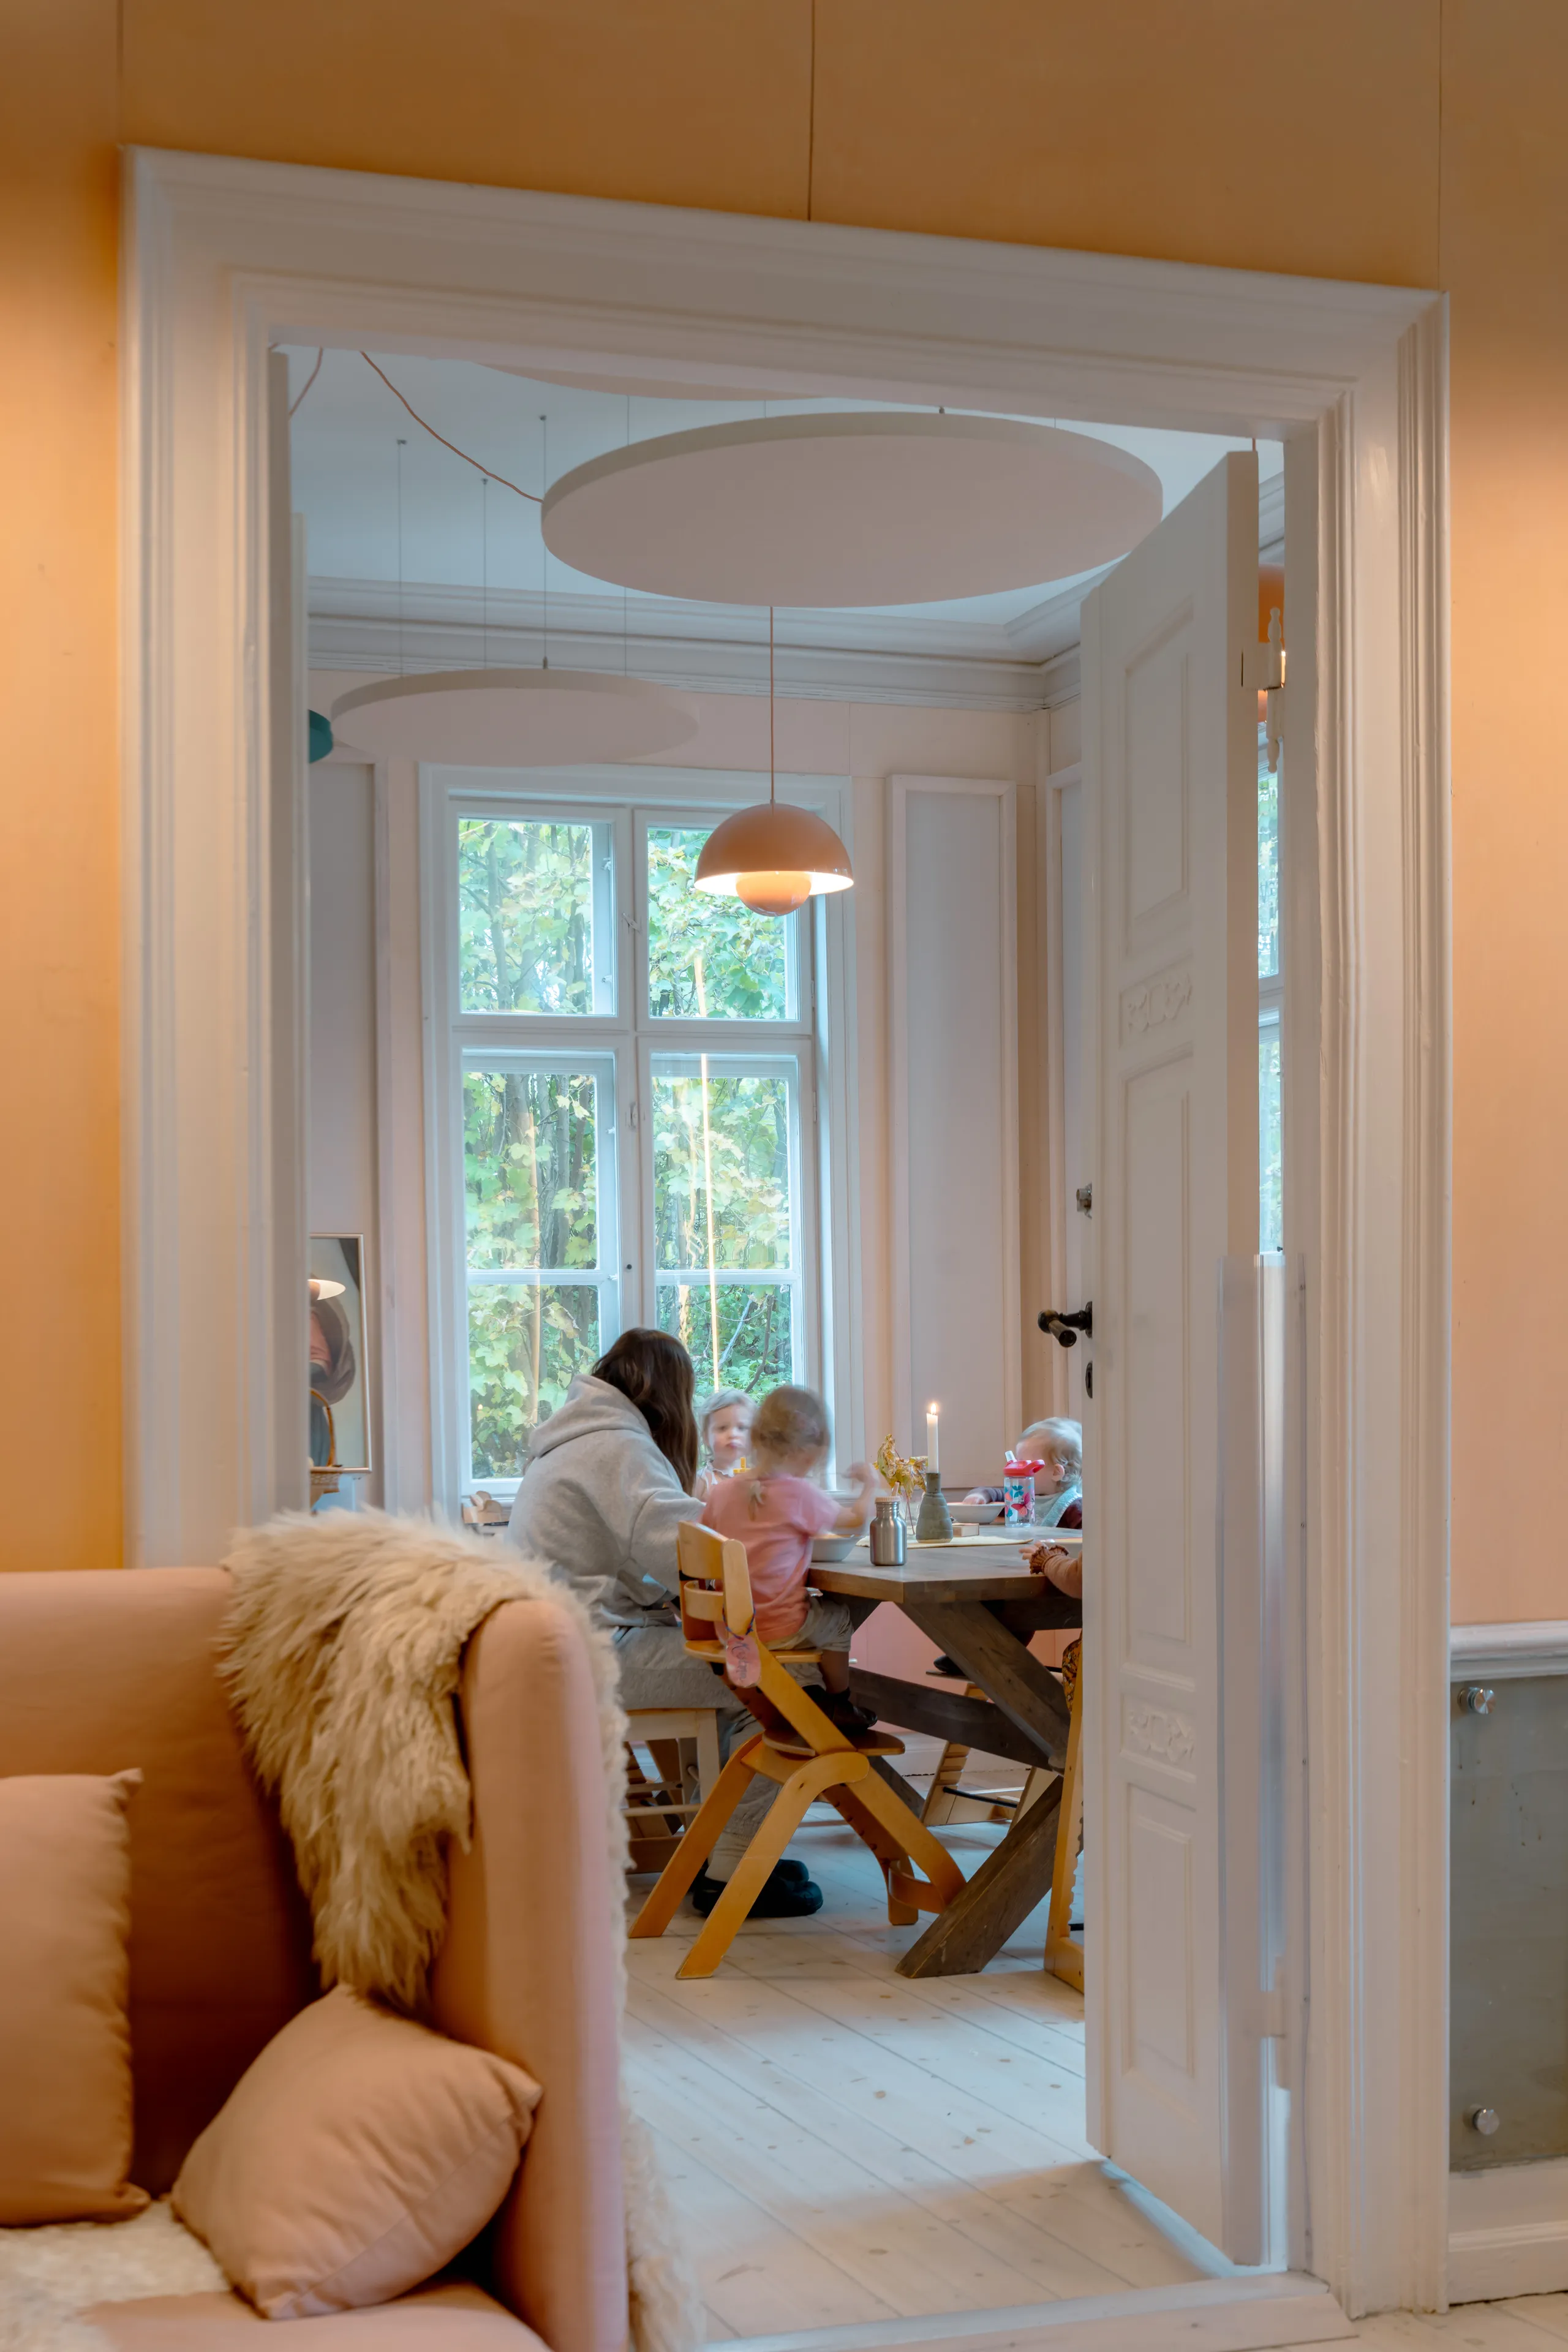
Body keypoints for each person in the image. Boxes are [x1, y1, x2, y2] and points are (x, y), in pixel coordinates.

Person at [505, 1329, 822, 1918]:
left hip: (554, 1649)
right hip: (591, 1655)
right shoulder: (620, 1448)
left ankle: (719, 1849)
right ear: (668, 1394)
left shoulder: (572, 1440)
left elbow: (641, 1559)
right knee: (787, 1680)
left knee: (738, 1673)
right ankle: (733, 1868)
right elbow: (695, 1551)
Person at [701, 1385, 879, 1741]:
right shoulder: (799, 1493)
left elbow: (705, 1547)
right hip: (779, 1627)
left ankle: (809, 1696)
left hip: (731, 1629)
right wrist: (870, 1485)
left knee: (810, 1618)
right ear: (806, 1452)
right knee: (839, 1619)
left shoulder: (720, 1493)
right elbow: (855, 1522)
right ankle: (838, 1702)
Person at [693, 1385, 753, 1500]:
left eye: (741, 1428)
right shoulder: (701, 1482)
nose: (733, 1434)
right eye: (722, 1428)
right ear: (706, 1437)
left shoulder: (761, 1477)